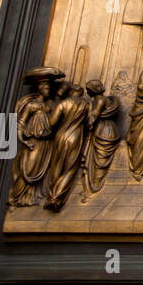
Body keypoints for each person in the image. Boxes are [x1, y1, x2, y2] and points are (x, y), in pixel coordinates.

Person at [7, 68, 59, 207]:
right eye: (45, 86)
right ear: (40, 88)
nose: (47, 89)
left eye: (49, 86)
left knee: (42, 172)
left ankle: (31, 197)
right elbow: (21, 123)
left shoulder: (50, 105)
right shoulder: (32, 105)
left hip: (46, 143)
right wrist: (23, 140)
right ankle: (15, 197)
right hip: (34, 142)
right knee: (29, 171)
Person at [44, 79, 90, 212]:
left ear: (71, 92)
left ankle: (51, 195)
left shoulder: (64, 103)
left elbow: (52, 123)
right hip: (76, 137)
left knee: (56, 166)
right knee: (70, 169)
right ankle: (57, 198)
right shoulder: (86, 105)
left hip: (61, 136)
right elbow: (89, 123)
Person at [81, 78, 121, 200]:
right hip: (108, 129)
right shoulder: (106, 100)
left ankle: (94, 187)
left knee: (99, 160)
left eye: (88, 90)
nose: (87, 93)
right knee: (97, 160)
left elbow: (93, 117)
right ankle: (91, 188)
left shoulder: (99, 100)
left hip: (103, 130)